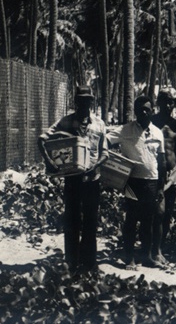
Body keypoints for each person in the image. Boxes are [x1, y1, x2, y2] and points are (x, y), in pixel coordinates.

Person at [38, 85, 109, 274]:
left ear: (91, 102)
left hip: (93, 179)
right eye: (80, 100)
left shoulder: (100, 124)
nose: (84, 104)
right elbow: (42, 139)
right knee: (71, 221)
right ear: (75, 102)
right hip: (73, 180)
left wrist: (96, 164)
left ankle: (90, 264)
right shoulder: (65, 122)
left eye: (87, 100)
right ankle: (71, 262)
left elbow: (105, 153)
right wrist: (50, 163)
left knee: (91, 223)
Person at [107, 96, 166, 270]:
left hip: (151, 183)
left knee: (148, 221)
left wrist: (161, 187)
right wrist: (113, 163)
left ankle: (147, 256)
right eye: (140, 109)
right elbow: (106, 141)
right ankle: (129, 258)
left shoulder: (157, 132)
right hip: (132, 182)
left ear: (152, 110)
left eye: (147, 109)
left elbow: (161, 162)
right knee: (131, 220)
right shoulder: (125, 130)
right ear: (135, 111)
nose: (144, 112)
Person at [151, 87, 176, 261]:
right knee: (157, 212)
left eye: (172, 102)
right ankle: (152, 249)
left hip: (173, 173)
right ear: (159, 102)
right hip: (155, 173)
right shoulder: (151, 122)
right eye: (165, 101)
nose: (169, 105)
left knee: (168, 212)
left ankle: (160, 247)